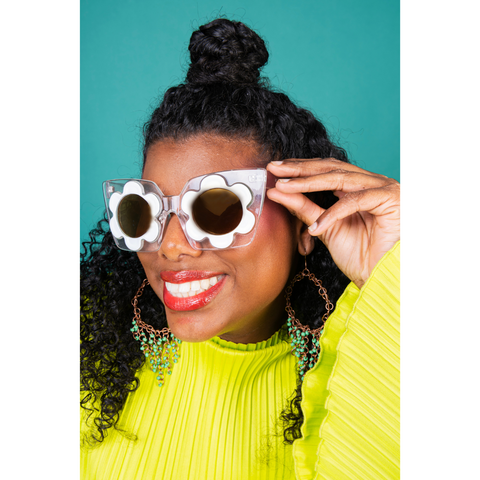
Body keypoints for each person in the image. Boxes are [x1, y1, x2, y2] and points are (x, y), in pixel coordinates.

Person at [80, 18, 400, 480]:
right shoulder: (83, 352)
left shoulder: (367, 367)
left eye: (216, 209)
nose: (169, 246)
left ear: (302, 221)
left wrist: (392, 276)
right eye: (144, 210)